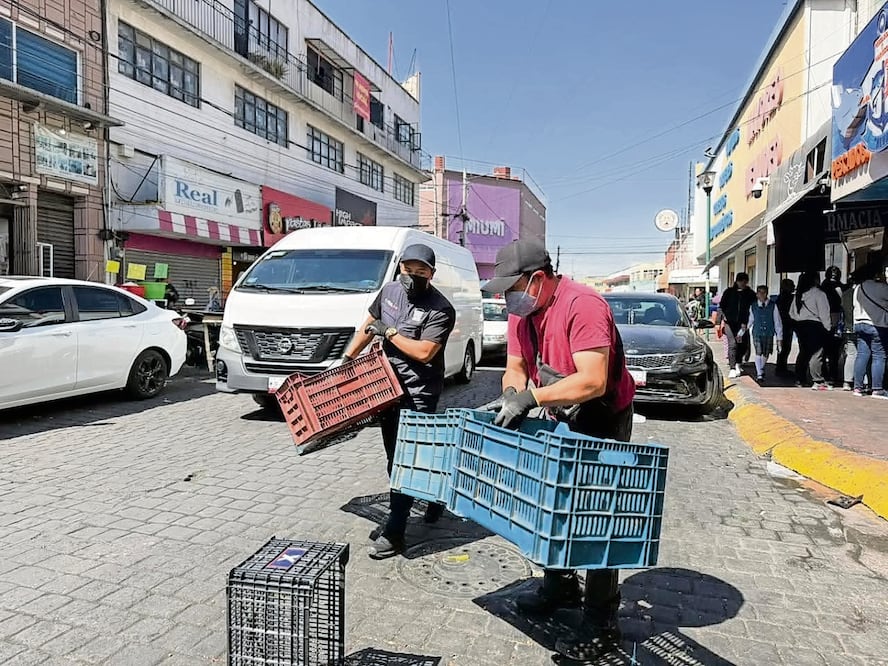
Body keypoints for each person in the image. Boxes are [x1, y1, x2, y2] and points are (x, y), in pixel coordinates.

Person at [480, 238, 636, 662]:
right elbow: (515, 367)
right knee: (552, 501)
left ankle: (602, 621)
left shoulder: (582, 305)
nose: (506, 297)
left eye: (512, 287)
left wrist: (531, 399)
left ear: (537, 280)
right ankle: (560, 584)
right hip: (557, 411)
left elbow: (592, 380)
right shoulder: (523, 313)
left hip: (602, 417)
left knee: (597, 518)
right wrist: (512, 396)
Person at [341, 244, 456, 559]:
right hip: (386, 388)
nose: (413, 276)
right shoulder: (389, 291)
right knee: (396, 456)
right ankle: (434, 498)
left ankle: (396, 528)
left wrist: (389, 333)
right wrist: (348, 357)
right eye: (408, 269)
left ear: (432, 274)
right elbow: (368, 323)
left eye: (421, 272)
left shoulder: (440, 309)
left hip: (418, 392)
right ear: (400, 268)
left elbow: (424, 352)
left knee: (405, 459)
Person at [789, 271, 832, 390]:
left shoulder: (799, 294)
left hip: (801, 326)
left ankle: (800, 379)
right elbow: (824, 312)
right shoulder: (819, 294)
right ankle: (817, 380)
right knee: (817, 353)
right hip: (815, 326)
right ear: (815, 280)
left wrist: (799, 320)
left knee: (803, 352)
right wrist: (827, 327)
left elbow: (791, 313)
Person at [852, 262, 888, 399]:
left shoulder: (858, 288)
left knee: (862, 355)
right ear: (876, 274)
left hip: (860, 324)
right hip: (877, 325)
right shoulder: (881, 287)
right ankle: (877, 389)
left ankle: (857, 387)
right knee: (879, 356)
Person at [717, 273, 756, 378]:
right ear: (737, 281)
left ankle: (738, 362)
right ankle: (732, 367)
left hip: (743, 324)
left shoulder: (750, 294)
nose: (742, 283)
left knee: (742, 345)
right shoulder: (729, 292)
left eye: (745, 281)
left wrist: (749, 322)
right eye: (740, 281)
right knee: (732, 344)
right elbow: (721, 307)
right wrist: (718, 322)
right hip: (729, 323)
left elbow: (754, 308)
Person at [747, 285, 783, 384]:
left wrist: (779, 338)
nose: (762, 295)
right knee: (758, 351)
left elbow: (777, 322)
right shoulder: (753, 306)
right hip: (757, 332)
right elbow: (751, 320)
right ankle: (759, 373)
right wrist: (741, 332)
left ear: (767, 293)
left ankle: (761, 368)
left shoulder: (773, 305)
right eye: (760, 292)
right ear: (757, 294)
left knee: (766, 353)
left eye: (764, 292)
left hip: (769, 332)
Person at [821, 266, 846, 384]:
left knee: (824, 348)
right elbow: (843, 301)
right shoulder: (839, 287)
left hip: (823, 319)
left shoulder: (822, 286)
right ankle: (833, 374)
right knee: (834, 350)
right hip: (836, 318)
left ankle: (824, 373)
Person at [841, 272, 859, 391]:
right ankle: (863, 382)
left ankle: (847, 381)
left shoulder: (845, 294)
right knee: (865, 355)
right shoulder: (860, 293)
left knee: (851, 355)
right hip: (860, 325)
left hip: (848, 326)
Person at [775, 278, 795, 376]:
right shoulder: (787, 298)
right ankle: (781, 368)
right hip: (785, 325)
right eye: (792, 285)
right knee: (785, 347)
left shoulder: (781, 297)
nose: (794, 287)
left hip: (784, 325)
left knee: (784, 347)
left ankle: (781, 367)